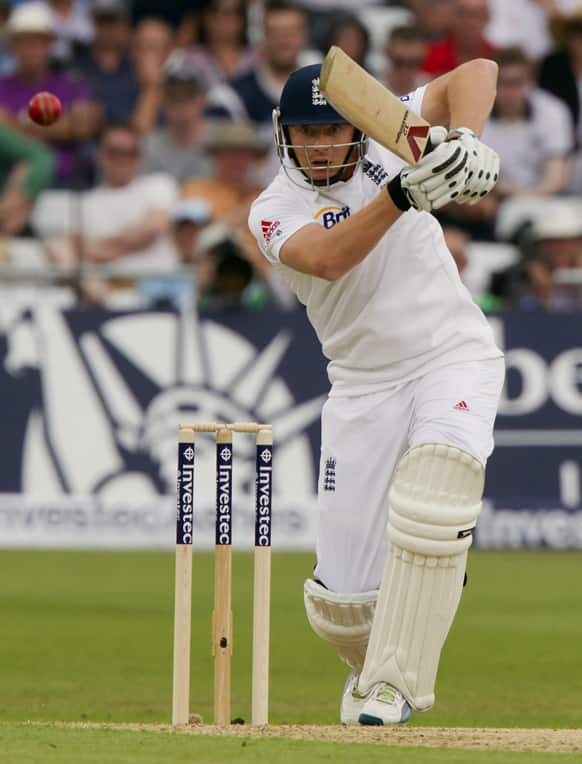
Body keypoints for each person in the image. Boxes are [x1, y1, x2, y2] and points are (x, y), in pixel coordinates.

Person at [248, 60, 504, 725]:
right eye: (309, 134)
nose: (325, 145)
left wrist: (467, 138)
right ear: (286, 137)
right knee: (339, 609)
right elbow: (328, 259)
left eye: (335, 130)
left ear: (354, 125)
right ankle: (377, 655)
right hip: (361, 387)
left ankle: (396, 684)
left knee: (436, 488)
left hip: (452, 356)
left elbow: (477, 70)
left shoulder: (391, 133)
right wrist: (404, 195)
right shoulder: (272, 209)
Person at [422, 0, 495, 77]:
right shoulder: (429, 56)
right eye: (463, 15)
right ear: (451, 17)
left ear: (487, 19)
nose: (470, 22)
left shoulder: (495, 57)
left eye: (477, 16)